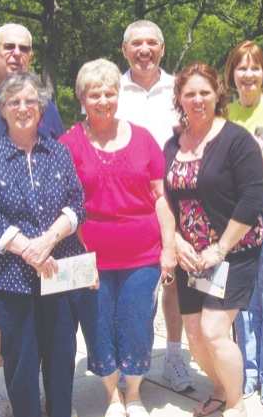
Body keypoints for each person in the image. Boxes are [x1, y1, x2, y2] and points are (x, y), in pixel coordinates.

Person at [0, 71, 93, 417]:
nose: (23, 108)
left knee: (60, 357)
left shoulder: (58, 151)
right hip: (11, 277)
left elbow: (77, 203)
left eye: (30, 101)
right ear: (2, 109)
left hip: (60, 272)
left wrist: (50, 239)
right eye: (14, 101)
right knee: (21, 364)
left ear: (41, 108)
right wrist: (28, 248)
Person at [60, 59, 176, 417]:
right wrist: (81, 257)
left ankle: (136, 393)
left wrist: (169, 248)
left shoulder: (142, 139)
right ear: (82, 99)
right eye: (95, 94)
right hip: (87, 257)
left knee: (137, 322)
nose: (103, 101)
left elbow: (161, 198)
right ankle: (112, 394)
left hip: (142, 253)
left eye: (110, 93)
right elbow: (66, 205)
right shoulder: (70, 143)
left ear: (118, 96)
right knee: (96, 327)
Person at [0, 22, 66, 417]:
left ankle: (31, 391)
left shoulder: (46, 105)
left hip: (44, 239)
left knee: (40, 324)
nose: (16, 54)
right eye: (8, 47)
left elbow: (54, 161)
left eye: (24, 47)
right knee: (0, 320)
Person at [164, 61, 263, 417]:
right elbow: (164, 198)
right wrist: (175, 241)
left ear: (217, 95)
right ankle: (221, 390)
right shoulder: (173, 143)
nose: (197, 100)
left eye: (204, 92)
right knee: (193, 334)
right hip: (191, 257)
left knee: (213, 330)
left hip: (232, 253)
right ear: (179, 98)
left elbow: (253, 201)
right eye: (189, 93)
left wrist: (219, 248)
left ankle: (237, 405)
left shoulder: (237, 140)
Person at [116, 19, 195, 393]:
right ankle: (134, 357)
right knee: (135, 282)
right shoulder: (112, 88)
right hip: (129, 199)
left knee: (174, 280)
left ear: (162, 49)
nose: (144, 50)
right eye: (136, 44)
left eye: (151, 43)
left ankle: (174, 358)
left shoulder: (178, 88)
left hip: (176, 193)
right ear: (125, 49)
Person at [224, 40, 263, 406]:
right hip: (234, 218)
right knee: (242, 300)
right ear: (231, 74)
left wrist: (248, 144)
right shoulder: (224, 111)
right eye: (241, 67)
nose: (248, 74)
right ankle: (247, 372)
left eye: (255, 67)